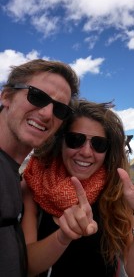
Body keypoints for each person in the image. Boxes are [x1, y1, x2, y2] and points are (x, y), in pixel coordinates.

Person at [22, 99, 134, 277]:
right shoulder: (34, 185)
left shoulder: (116, 191)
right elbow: (27, 266)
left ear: (108, 151)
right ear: (61, 142)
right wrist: (62, 237)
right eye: (76, 140)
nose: (86, 152)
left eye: (98, 144)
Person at [0, 59, 79, 277]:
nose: (46, 114)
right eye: (37, 96)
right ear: (6, 96)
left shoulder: (17, 178)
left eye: (60, 109)